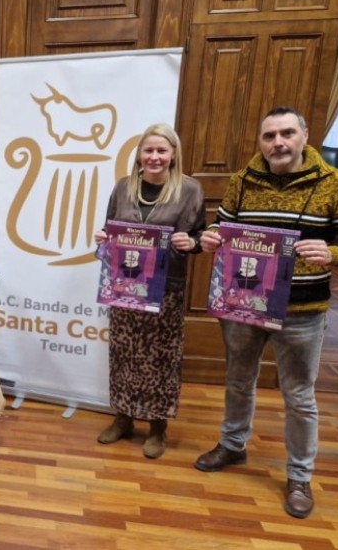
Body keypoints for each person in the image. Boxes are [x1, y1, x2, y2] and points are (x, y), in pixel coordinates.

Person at [193, 106, 338, 519]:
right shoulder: (242, 181)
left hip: (303, 309)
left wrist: (335, 252)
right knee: (239, 381)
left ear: (304, 136)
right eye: (270, 135)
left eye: (287, 133)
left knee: (299, 396)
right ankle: (233, 446)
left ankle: (299, 474)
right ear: (260, 142)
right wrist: (211, 239)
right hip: (243, 304)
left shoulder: (336, 182)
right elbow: (224, 228)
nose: (278, 142)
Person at [94, 123, 205, 459]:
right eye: (149, 150)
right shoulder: (124, 187)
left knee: (161, 357)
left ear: (173, 155)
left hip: (165, 288)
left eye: (162, 150)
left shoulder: (190, 190)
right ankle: (124, 417)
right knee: (124, 353)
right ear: (139, 154)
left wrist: (192, 243)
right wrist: (103, 238)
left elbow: (199, 238)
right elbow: (110, 228)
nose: (154, 157)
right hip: (125, 285)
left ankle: (158, 426)